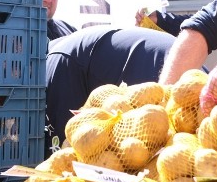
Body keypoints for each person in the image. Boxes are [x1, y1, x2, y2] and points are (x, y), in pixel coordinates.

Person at [45, 26, 175, 157]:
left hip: (163, 68)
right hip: (178, 58)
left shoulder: (57, 62)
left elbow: (68, 136)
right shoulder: (68, 47)